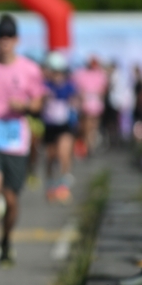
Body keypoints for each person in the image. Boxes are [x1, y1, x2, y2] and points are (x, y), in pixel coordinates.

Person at [0, 14, 44, 268]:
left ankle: (6, 240)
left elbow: (38, 102)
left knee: (11, 197)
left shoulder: (29, 69)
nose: (5, 42)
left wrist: (25, 106)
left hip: (16, 139)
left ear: (16, 40)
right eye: (1, 37)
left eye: (9, 37)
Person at [41, 52, 78, 203]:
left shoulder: (69, 86)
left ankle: (63, 185)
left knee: (64, 154)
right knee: (50, 156)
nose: (56, 75)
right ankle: (50, 184)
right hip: (49, 126)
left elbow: (76, 101)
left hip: (65, 125)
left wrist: (75, 102)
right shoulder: (44, 86)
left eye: (58, 72)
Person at [71, 56, 108, 158]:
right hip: (89, 105)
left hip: (92, 105)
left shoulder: (97, 74)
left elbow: (103, 90)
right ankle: (88, 146)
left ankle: (89, 147)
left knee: (91, 128)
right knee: (89, 128)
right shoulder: (86, 74)